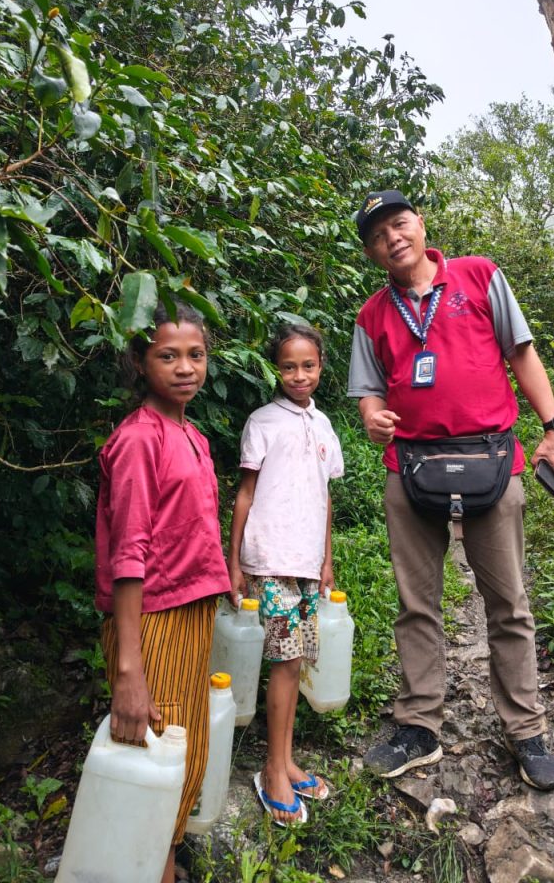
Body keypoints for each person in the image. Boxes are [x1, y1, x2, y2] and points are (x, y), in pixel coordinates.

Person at [347, 190, 554, 791]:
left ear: (420, 224)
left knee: (509, 603)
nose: (392, 238)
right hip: (411, 467)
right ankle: (419, 724)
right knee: (415, 603)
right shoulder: (372, 315)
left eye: (400, 223)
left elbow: (522, 354)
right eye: (378, 236)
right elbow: (368, 389)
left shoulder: (479, 276)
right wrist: (371, 414)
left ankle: (526, 730)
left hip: (492, 459)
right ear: (372, 253)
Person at [95, 302, 230, 883]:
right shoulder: (136, 441)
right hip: (152, 621)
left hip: (192, 616)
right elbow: (129, 556)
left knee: (183, 748)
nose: (185, 368)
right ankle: (150, 866)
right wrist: (129, 669)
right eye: (167, 356)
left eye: (195, 355)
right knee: (153, 750)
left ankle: (164, 859)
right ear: (139, 362)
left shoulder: (191, 434)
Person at [228, 324, 344, 825]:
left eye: (309, 365)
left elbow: (324, 499)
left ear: (321, 366)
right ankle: (272, 770)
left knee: (295, 665)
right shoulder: (263, 422)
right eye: (289, 366)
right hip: (269, 558)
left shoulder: (323, 426)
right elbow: (246, 495)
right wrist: (233, 561)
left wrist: (327, 560)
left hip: (306, 565)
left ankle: (286, 760)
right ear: (277, 369)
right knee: (285, 660)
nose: (300, 375)